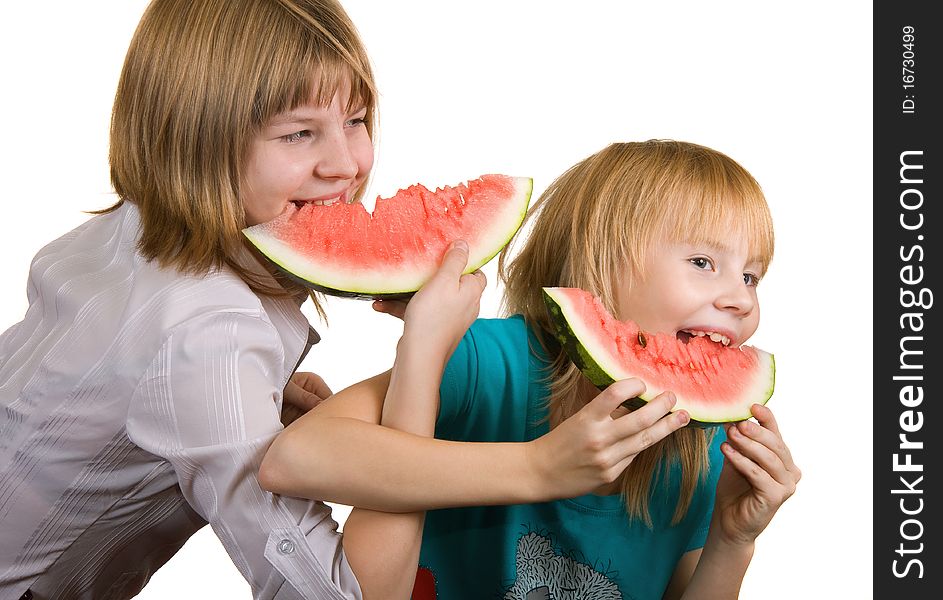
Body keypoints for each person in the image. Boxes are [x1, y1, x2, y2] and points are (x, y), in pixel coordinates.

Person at [0, 2, 694, 599]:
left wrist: (259, 398)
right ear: (193, 141)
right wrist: (510, 439)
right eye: (299, 133)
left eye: (356, 119)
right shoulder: (208, 334)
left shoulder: (136, 225)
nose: (347, 164)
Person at [261, 140, 802, 600]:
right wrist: (539, 465)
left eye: (752, 276)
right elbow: (293, 457)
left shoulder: (703, 444)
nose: (740, 300)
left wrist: (734, 540)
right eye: (704, 263)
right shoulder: (492, 363)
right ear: (599, 258)